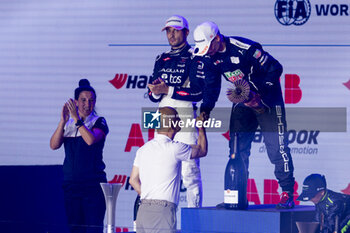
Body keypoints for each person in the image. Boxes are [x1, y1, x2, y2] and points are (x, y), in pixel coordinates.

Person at [192, 21, 295, 209]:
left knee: (276, 148)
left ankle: (287, 193)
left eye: (207, 47)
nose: (206, 52)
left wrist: (258, 95)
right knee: (236, 149)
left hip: (268, 100)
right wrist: (205, 110)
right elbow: (211, 86)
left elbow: (275, 68)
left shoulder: (245, 49)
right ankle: (236, 197)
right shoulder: (208, 57)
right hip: (242, 100)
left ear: (216, 39)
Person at [147, 15, 205, 208]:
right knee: (161, 168)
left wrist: (167, 90)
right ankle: (162, 216)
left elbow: (198, 92)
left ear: (186, 32)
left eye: (176, 30)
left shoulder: (195, 55)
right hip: (161, 114)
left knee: (189, 172)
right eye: (168, 31)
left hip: (185, 114)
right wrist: (155, 92)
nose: (171, 35)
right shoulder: (161, 58)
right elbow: (152, 94)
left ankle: (193, 221)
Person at [129, 107, 208, 233]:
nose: (180, 121)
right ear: (172, 124)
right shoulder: (175, 148)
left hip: (142, 210)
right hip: (162, 211)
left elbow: (133, 180)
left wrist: (148, 197)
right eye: (177, 118)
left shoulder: (143, 149)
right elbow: (202, 150)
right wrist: (201, 127)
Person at [50, 79, 109, 233]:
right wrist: (63, 121)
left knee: (93, 228)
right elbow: (53, 145)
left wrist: (77, 119)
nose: (87, 104)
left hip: (93, 187)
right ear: (76, 102)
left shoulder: (99, 121)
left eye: (91, 100)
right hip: (72, 186)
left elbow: (90, 140)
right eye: (83, 100)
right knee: (75, 228)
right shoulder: (68, 124)